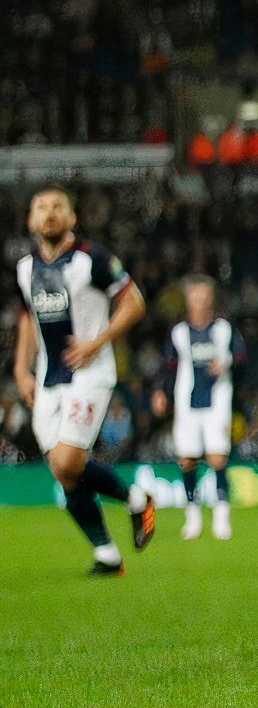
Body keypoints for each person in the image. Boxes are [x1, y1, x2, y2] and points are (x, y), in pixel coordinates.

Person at [12, 185, 153, 574]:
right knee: (64, 472)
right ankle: (107, 553)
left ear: (73, 217)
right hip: (47, 378)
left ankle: (135, 497)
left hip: (90, 373)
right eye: (41, 207)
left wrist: (97, 341)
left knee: (67, 459)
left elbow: (134, 301)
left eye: (58, 206)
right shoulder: (25, 267)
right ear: (31, 220)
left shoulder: (93, 258)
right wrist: (20, 368)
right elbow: (28, 317)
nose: (49, 212)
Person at [170, 274, 245, 541]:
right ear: (188, 301)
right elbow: (168, 366)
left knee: (217, 458)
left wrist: (224, 362)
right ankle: (192, 516)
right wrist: (159, 392)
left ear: (211, 300)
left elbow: (241, 353)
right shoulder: (178, 333)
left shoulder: (224, 329)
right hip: (187, 403)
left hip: (217, 402)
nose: (200, 302)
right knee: (187, 460)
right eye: (195, 297)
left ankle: (221, 517)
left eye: (204, 297)